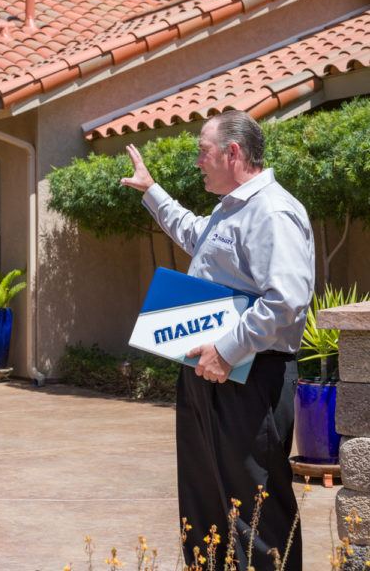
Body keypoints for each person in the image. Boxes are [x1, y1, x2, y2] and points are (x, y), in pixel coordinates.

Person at [122, 111, 314, 570]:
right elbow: (195, 233)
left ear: (233, 152)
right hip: (208, 373)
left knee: (256, 506)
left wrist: (226, 351)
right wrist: (151, 191)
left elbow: (285, 300)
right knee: (206, 497)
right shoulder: (233, 207)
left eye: (202, 152)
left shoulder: (273, 210)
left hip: (251, 376)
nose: (197, 162)